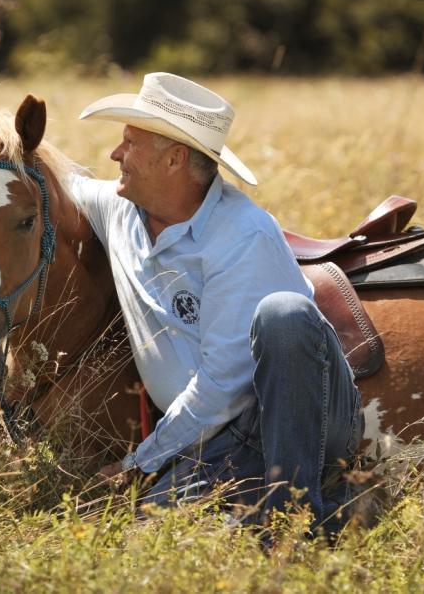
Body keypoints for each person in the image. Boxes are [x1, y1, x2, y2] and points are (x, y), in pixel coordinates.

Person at [70, 72, 364, 534]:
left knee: (283, 314)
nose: (114, 154)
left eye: (130, 142)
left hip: (292, 419)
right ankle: (301, 507)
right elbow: (55, 182)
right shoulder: (119, 207)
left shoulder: (244, 233)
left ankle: (295, 521)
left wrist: (141, 462)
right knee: (149, 538)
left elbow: (223, 385)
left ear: (175, 159)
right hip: (211, 439)